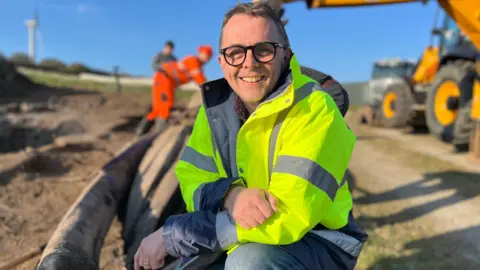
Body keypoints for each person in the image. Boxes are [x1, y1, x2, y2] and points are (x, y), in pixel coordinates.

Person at [133, 2, 367, 270]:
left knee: (248, 263)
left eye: (264, 50)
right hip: (242, 232)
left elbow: (287, 216)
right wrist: (230, 195)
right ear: (221, 62)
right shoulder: (214, 111)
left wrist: (174, 235)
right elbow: (192, 179)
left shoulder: (315, 109)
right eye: (235, 52)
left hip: (320, 239)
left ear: (286, 56)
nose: (249, 63)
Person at [136, 45, 213, 136]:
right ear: (200, 54)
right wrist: (212, 90)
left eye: (209, 57)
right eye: (206, 55)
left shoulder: (196, 65)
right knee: (165, 108)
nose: (207, 59)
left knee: (158, 109)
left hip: (165, 81)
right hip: (164, 79)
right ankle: (157, 134)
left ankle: (141, 132)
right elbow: (201, 80)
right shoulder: (193, 61)